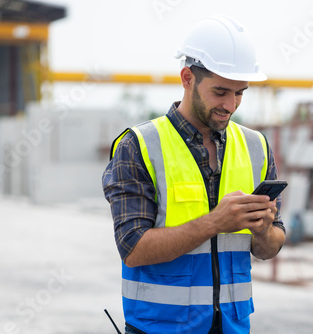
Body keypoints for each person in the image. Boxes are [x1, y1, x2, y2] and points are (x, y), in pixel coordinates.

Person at [103, 15, 286, 334]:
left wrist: (264, 229)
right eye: (220, 92)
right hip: (160, 328)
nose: (230, 105)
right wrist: (216, 222)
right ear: (187, 78)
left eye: (240, 92)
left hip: (232, 326)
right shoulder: (139, 146)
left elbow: (269, 247)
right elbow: (133, 249)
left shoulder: (256, 146)